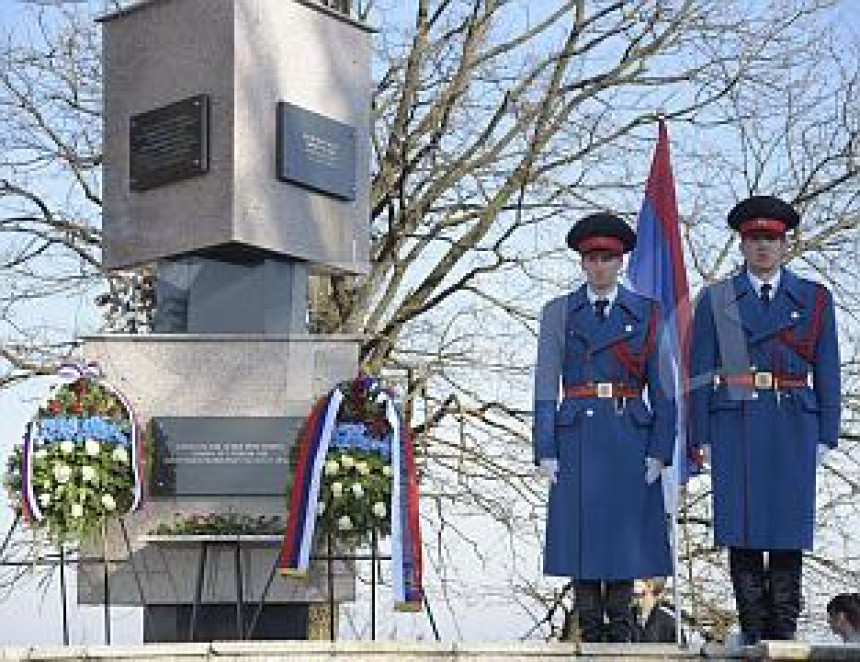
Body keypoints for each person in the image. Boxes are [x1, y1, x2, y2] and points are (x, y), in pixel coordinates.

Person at [688, 195, 841, 645]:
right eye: (754, 238)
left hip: (794, 423)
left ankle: (784, 637)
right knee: (744, 532)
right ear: (741, 243)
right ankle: (754, 636)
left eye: (771, 239)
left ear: (785, 243)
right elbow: (701, 372)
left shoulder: (813, 299)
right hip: (736, 423)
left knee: (788, 533)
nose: (763, 247)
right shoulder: (718, 300)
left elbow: (827, 368)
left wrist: (827, 431)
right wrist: (702, 434)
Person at [532, 212, 675, 643]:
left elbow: (664, 389)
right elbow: (545, 384)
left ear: (622, 262)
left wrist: (660, 448)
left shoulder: (649, 314)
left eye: (608, 258)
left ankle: (623, 636)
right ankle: (589, 635)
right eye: (592, 258)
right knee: (583, 544)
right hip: (576, 436)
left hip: (630, 435)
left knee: (624, 543)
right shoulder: (559, 313)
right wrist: (545, 447)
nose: (599, 266)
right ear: (581, 262)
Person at [634, 577, 682, 643]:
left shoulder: (671, 625)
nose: (638, 601)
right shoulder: (624, 621)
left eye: (642, 595)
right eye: (635, 596)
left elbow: (681, 651)